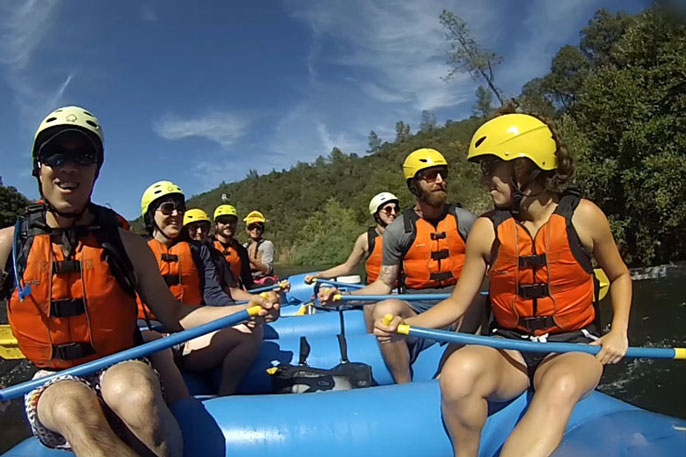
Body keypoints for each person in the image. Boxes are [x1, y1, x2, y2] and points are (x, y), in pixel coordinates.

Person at [0, 106, 279, 457]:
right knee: (73, 408)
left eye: (82, 156)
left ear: (96, 168)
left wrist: (245, 310)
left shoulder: (127, 245)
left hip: (120, 359)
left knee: (138, 396)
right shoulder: (8, 245)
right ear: (38, 166)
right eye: (55, 156)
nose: (69, 167)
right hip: (52, 378)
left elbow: (176, 313)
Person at [375, 113, 632, 457]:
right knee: (458, 373)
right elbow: (457, 304)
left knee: (561, 385)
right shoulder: (487, 228)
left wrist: (619, 332)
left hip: (570, 347)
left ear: (523, 166)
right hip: (509, 346)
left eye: (489, 168)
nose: (484, 181)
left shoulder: (583, 216)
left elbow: (620, 276)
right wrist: (406, 327)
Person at [319, 148, 483, 383]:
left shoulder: (466, 221)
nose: (440, 181)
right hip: (417, 307)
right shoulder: (398, 230)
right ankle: (403, 383)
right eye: (430, 176)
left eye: (442, 174)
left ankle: (448, 365)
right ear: (414, 186)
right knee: (384, 310)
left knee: (477, 298)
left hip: (460, 306)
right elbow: (384, 284)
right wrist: (344, 298)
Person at [140, 183, 270, 396]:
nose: (175, 214)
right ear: (150, 214)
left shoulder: (198, 251)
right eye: (167, 208)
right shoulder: (137, 251)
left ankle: (226, 396)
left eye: (180, 209)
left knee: (252, 332)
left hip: (188, 336)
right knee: (155, 343)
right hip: (148, 338)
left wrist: (239, 314)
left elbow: (213, 294)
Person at [306, 192, 399, 284]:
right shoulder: (365, 239)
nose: (393, 213)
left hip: (399, 291)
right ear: (376, 213)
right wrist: (319, 275)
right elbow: (347, 267)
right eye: (388, 209)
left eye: (396, 209)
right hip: (374, 291)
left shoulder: (403, 235)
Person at [212, 204, 254, 290]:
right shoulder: (207, 247)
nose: (228, 225)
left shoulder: (241, 251)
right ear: (216, 225)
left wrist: (272, 287)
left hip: (235, 293)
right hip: (213, 295)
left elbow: (249, 283)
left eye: (231, 221)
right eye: (223, 221)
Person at [242, 210, 277, 286]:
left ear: (262, 229)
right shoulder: (244, 246)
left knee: (267, 282)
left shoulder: (267, 244)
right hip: (249, 280)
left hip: (264, 279)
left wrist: (252, 261)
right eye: (252, 227)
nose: (255, 230)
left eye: (258, 228)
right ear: (247, 230)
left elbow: (267, 269)